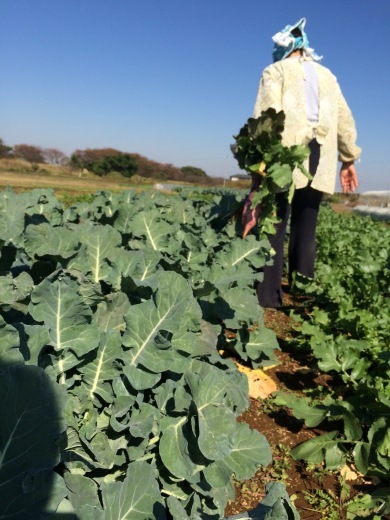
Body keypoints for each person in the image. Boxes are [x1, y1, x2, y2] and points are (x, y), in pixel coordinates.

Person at [248, 17, 361, 308]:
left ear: (283, 48)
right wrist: (348, 160)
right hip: (320, 152)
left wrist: (259, 161)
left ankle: (269, 296)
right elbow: (344, 119)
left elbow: (267, 115)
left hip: (284, 151)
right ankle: (302, 288)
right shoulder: (328, 76)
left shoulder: (275, 70)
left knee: (275, 217)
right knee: (306, 219)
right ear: (305, 47)